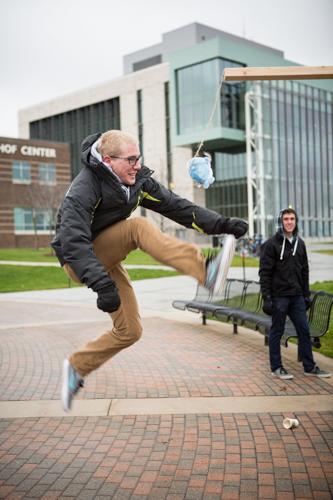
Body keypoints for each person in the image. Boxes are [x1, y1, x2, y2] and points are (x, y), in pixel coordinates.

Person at [52, 130, 248, 411]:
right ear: (107, 160)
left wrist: (221, 224)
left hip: (104, 256)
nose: (138, 165)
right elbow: (73, 240)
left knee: (130, 331)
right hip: (78, 260)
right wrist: (100, 283)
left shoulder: (138, 180)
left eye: (139, 157)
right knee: (138, 228)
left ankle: (77, 367)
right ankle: (206, 272)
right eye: (131, 160)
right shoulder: (85, 188)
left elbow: (175, 206)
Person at [259, 207, 331, 380]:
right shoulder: (271, 245)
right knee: (277, 331)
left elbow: (304, 271)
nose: (289, 222)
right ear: (280, 222)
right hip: (279, 297)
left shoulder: (300, 243)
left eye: (292, 219)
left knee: (304, 330)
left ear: (296, 221)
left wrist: (306, 295)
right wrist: (267, 298)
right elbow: (265, 273)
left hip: (297, 296)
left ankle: (309, 367)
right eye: (286, 219)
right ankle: (276, 367)